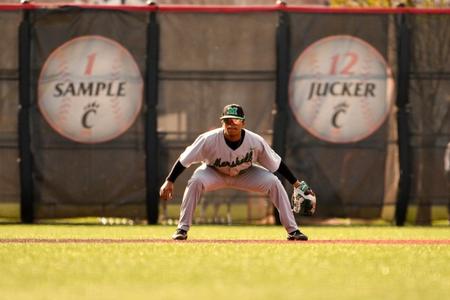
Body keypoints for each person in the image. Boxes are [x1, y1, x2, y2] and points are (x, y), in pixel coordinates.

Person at [159, 104, 315, 241]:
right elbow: (184, 159)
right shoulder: (208, 139)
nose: (231, 124)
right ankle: (182, 229)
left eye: (236, 120)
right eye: (228, 120)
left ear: (243, 123)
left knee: (274, 182)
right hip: (213, 173)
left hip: (245, 174)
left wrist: (296, 183)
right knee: (196, 181)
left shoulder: (255, 141)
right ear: (222, 122)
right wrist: (170, 180)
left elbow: (276, 164)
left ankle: (293, 230)